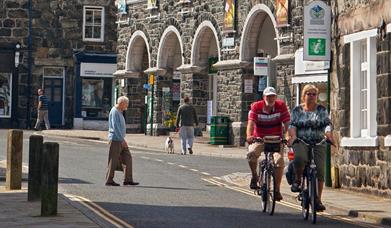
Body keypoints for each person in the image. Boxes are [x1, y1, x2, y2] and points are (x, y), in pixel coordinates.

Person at [287, 84, 334, 211]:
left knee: (320, 170)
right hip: (301, 141)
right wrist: (293, 136)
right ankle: (297, 179)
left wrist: (328, 134)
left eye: (314, 94)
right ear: (303, 96)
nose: (312, 96)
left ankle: (318, 200)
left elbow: (327, 124)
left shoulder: (321, 110)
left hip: (318, 141)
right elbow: (292, 125)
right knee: (300, 158)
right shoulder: (297, 110)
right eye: (309, 94)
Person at [246, 86, 290, 201]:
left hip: (276, 139)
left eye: (273, 96)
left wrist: (288, 137)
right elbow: (251, 123)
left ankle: (276, 190)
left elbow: (287, 124)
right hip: (259, 138)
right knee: (251, 154)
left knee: (279, 161)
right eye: (268, 96)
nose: (271, 99)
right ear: (263, 97)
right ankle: (255, 177)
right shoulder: (256, 106)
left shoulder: (281, 106)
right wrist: (249, 136)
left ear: (276, 97)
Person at [106, 96, 139, 186]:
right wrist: (122, 140)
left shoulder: (120, 111)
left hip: (120, 139)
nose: (127, 106)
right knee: (113, 160)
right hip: (116, 139)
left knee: (128, 158)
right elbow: (115, 127)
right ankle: (109, 180)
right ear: (121, 103)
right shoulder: (114, 111)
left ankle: (128, 179)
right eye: (126, 104)